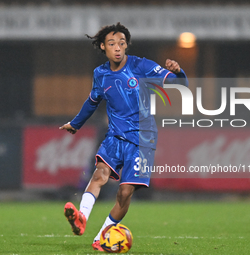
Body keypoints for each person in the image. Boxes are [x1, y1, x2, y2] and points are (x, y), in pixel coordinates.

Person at [59, 22, 188, 251]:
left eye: (121, 43)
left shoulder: (141, 66)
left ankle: (100, 238)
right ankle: (81, 218)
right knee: (99, 174)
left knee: (125, 192)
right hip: (115, 137)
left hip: (142, 140)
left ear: (126, 45)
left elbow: (180, 85)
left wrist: (179, 72)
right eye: (111, 44)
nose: (117, 48)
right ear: (103, 47)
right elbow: (92, 102)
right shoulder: (100, 74)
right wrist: (75, 124)